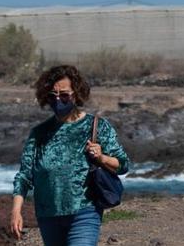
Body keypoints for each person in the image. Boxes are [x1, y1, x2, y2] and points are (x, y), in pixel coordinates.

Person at [11, 65, 131, 246]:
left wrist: (101, 158)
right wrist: (16, 211)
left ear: (77, 94)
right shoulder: (39, 133)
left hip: (84, 212)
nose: (58, 100)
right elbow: (24, 176)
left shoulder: (96, 127)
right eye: (52, 96)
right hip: (47, 215)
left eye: (64, 95)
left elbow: (123, 164)